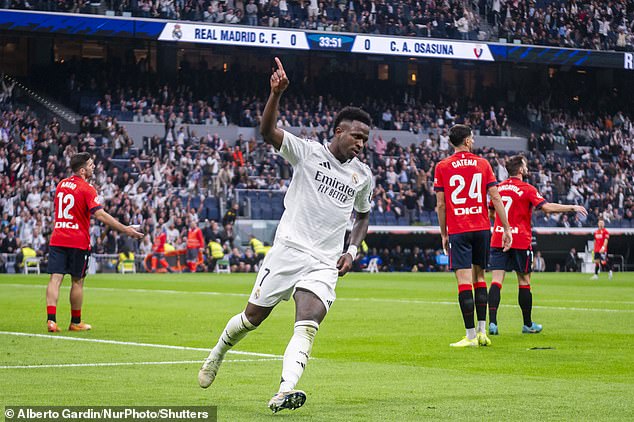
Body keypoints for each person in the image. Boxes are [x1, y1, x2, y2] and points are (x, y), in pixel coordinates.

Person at [198, 57, 373, 413]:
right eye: (357, 136)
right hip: (289, 250)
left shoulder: (363, 176)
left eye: (366, 139)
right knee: (251, 319)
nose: (361, 144)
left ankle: (284, 390)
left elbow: (363, 215)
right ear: (338, 131)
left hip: (324, 262)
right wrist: (275, 95)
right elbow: (266, 132)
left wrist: (352, 251)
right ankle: (218, 352)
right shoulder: (307, 152)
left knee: (307, 324)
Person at [487, 155, 587, 335]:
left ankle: (493, 324)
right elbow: (547, 208)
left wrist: (503, 225)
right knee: (524, 282)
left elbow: (491, 213)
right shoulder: (527, 189)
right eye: (525, 165)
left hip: (499, 238)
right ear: (520, 170)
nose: (527, 168)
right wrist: (571, 207)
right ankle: (527, 324)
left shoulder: (498, 188)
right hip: (520, 240)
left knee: (496, 281)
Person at [434, 124, 512, 348]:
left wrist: (443, 232)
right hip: (481, 228)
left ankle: (470, 337)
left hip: (459, 228)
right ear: (467, 141)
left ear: (452, 143)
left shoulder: (443, 166)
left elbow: (441, 205)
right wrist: (505, 228)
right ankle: (482, 332)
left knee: (463, 282)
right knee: (480, 278)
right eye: (472, 138)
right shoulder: (483, 164)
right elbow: (496, 198)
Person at [46, 152, 143, 333]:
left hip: (58, 237)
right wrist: (125, 229)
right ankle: (75, 322)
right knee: (77, 281)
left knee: (55, 279)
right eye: (90, 165)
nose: (94, 167)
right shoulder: (87, 188)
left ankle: (51, 320)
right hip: (77, 240)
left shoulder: (60, 185)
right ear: (82, 170)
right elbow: (99, 214)